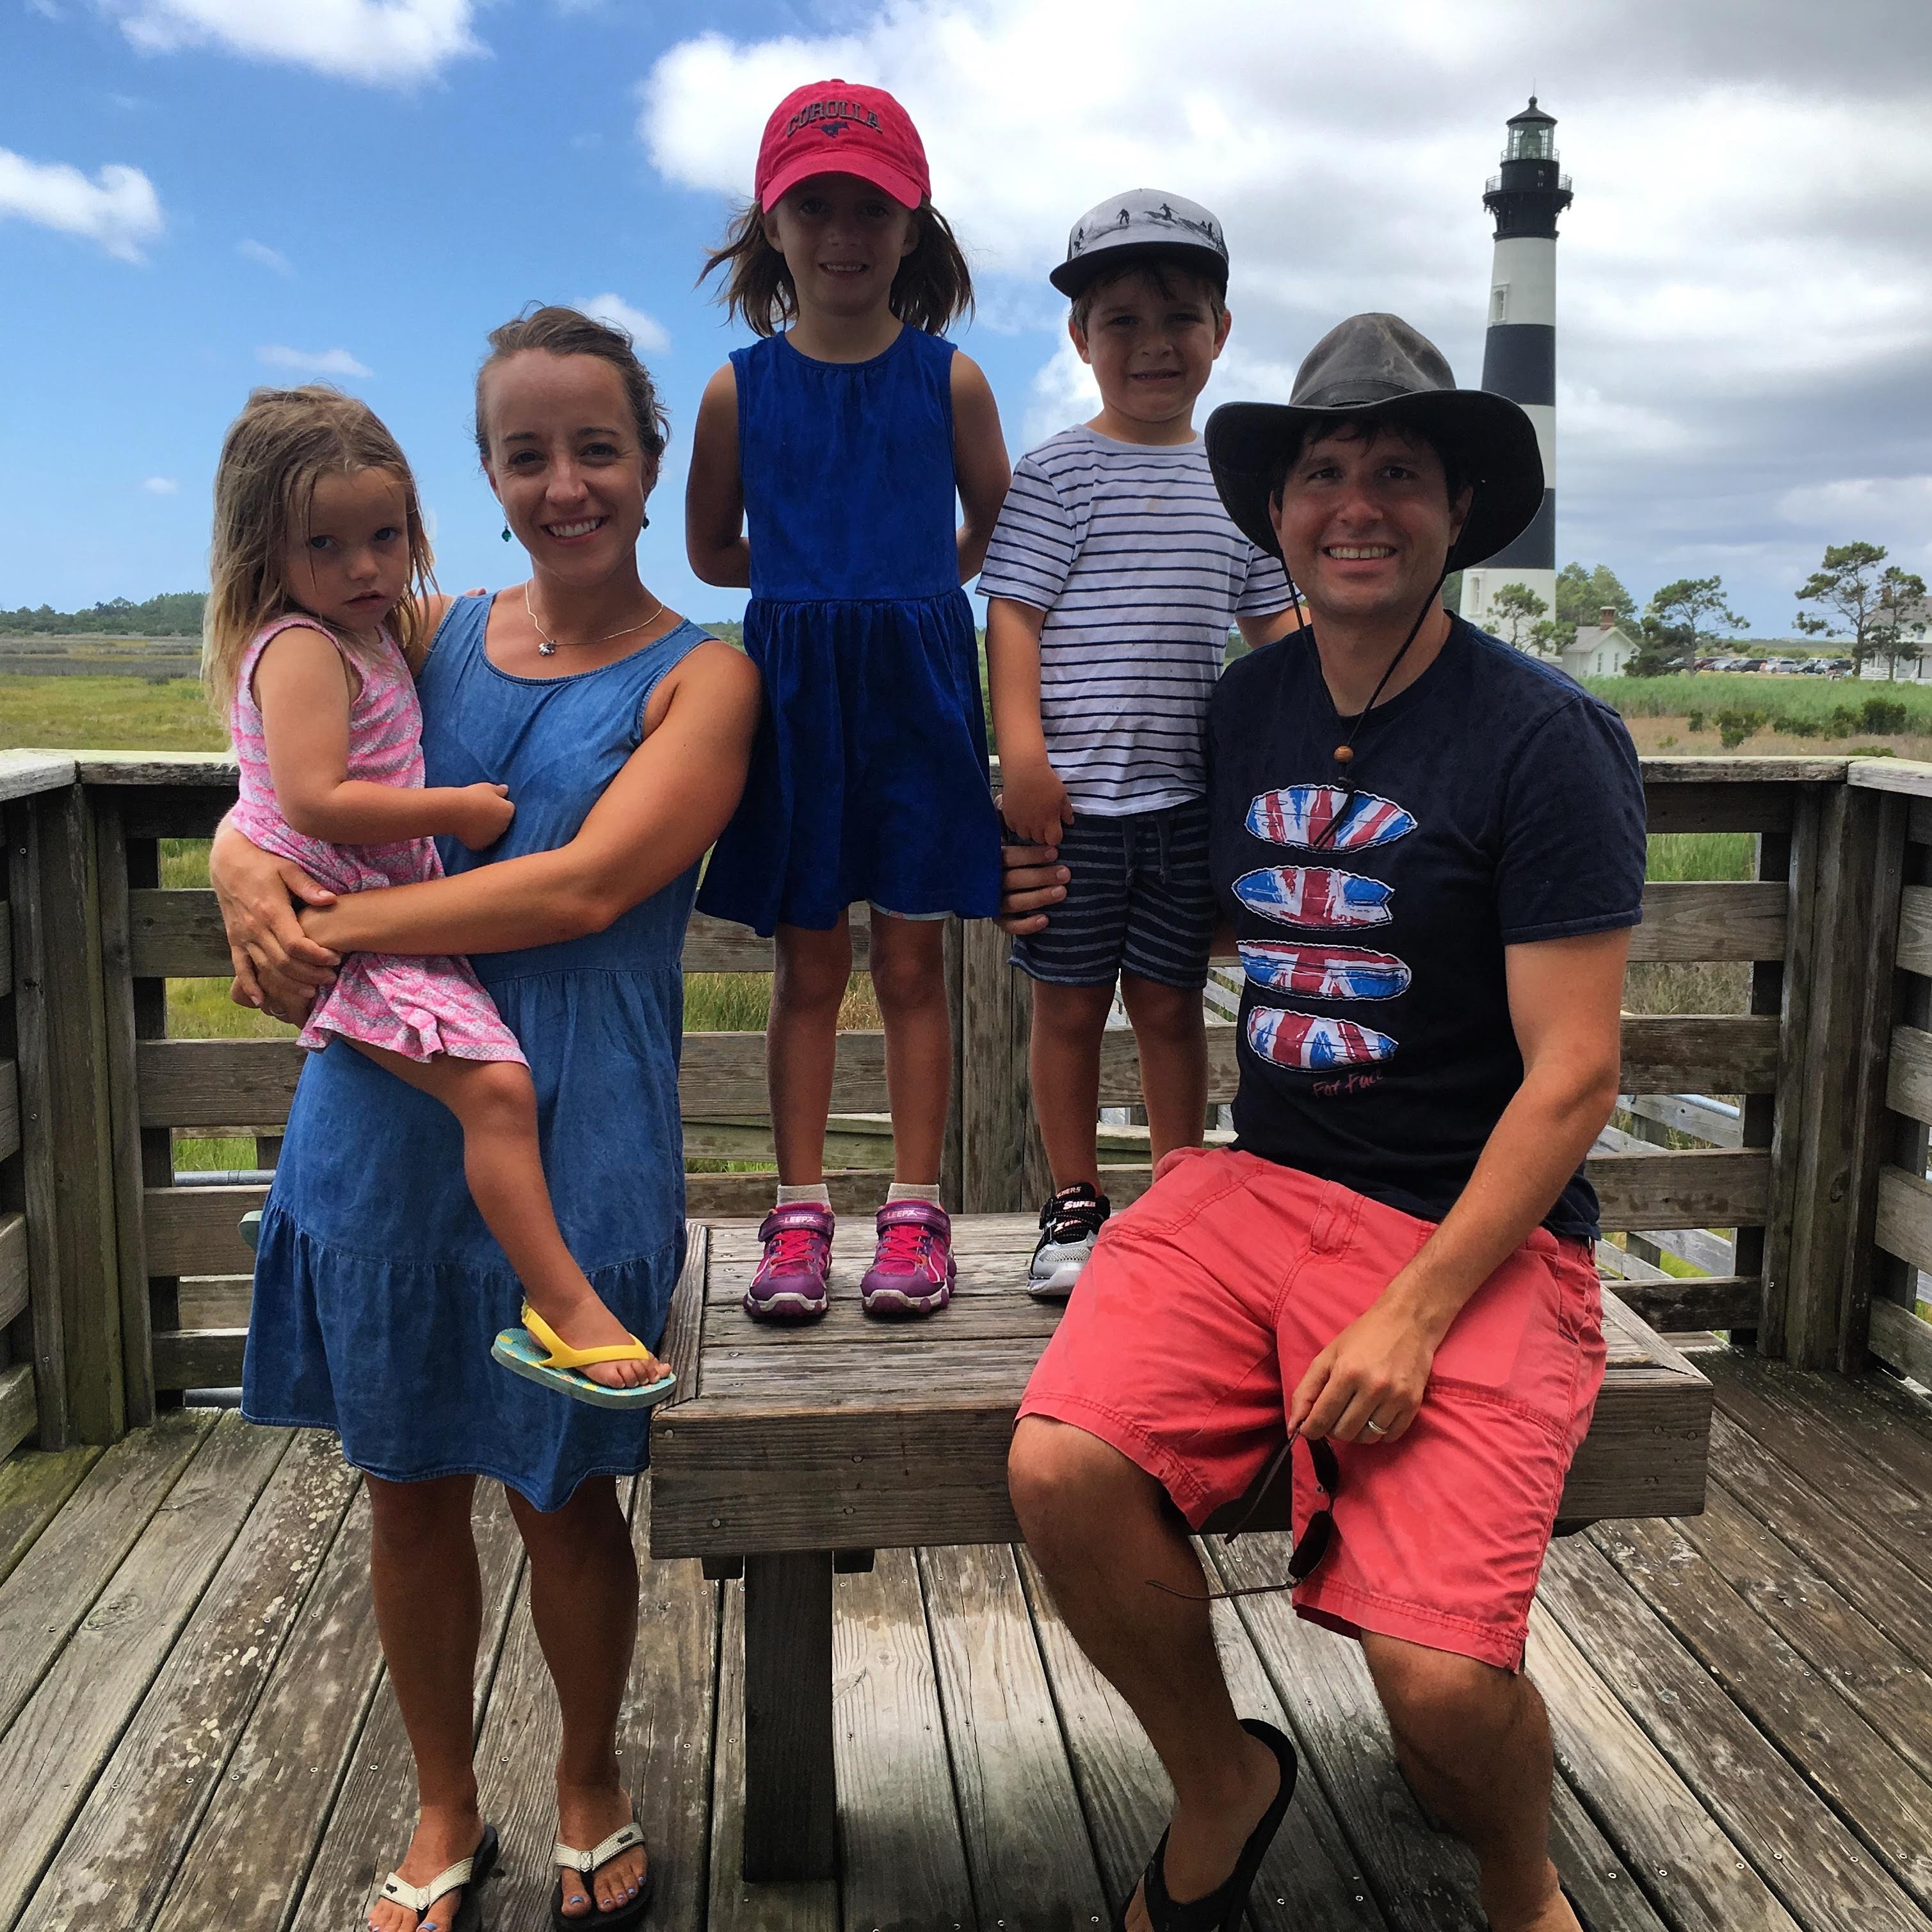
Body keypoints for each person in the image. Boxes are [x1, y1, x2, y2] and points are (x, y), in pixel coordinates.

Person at [1003, 314, 1645, 1932]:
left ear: (1457, 513)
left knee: (1438, 1682)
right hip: (1260, 1184)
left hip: (1472, 1233)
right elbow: (1219, 901)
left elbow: (1575, 1074)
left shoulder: (1543, 739)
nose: (1357, 505)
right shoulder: (1248, 707)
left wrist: (1416, 1311)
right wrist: (1031, 880)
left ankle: (1523, 1887)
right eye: (1325, 473)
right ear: (1280, 513)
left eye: (1399, 474)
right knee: (1062, 1471)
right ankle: (1220, 1777)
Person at [211, 307, 761, 1932]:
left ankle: (589, 1775)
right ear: (489, 478)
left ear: (650, 464)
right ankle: (444, 1801)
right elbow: (278, 761)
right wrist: (243, 861)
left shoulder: (707, 679)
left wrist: (318, 924)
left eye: (596, 448)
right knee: (405, 1486)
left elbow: (584, 887)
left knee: (562, 1490)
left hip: (575, 1112)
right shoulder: (417, 625)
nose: (564, 483)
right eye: (528, 454)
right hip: (384, 1111)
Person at [205, 385, 669, 1409]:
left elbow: (585, 890)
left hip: (384, 937)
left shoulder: (378, 630)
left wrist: (258, 863)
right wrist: (445, 810)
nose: (365, 568)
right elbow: (305, 794)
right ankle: (564, 1305)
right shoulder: (325, 640)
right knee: (494, 1092)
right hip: (372, 942)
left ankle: (540, 1289)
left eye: (385, 536)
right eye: (325, 545)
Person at [686, 77, 1011, 1321]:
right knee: (809, 963)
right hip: (795, 700)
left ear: (913, 225)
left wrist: (907, 584)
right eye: (813, 206)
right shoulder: (737, 390)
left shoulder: (952, 380)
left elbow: (996, 531)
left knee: (916, 960)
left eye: (870, 207)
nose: (842, 233)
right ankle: (799, 1212)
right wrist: (819, 587)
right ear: (771, 225)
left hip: (920, 694)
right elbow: (711, 550)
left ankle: (916, 1213)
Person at [979, 189, 1300, 1296]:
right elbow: (1012, 616)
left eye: (1179, 318)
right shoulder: (1057, 473)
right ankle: (1072, 1201)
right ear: (1079, 339)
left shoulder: (1237, 485)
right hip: (1071, 807)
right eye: (1120, 320)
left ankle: (1176, 1196)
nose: (1152, 343)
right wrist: (1023, 758)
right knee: (1067, 1007)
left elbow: (1277, 631)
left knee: (1169, 1003)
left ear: (1221, 331)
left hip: (1183, 804)